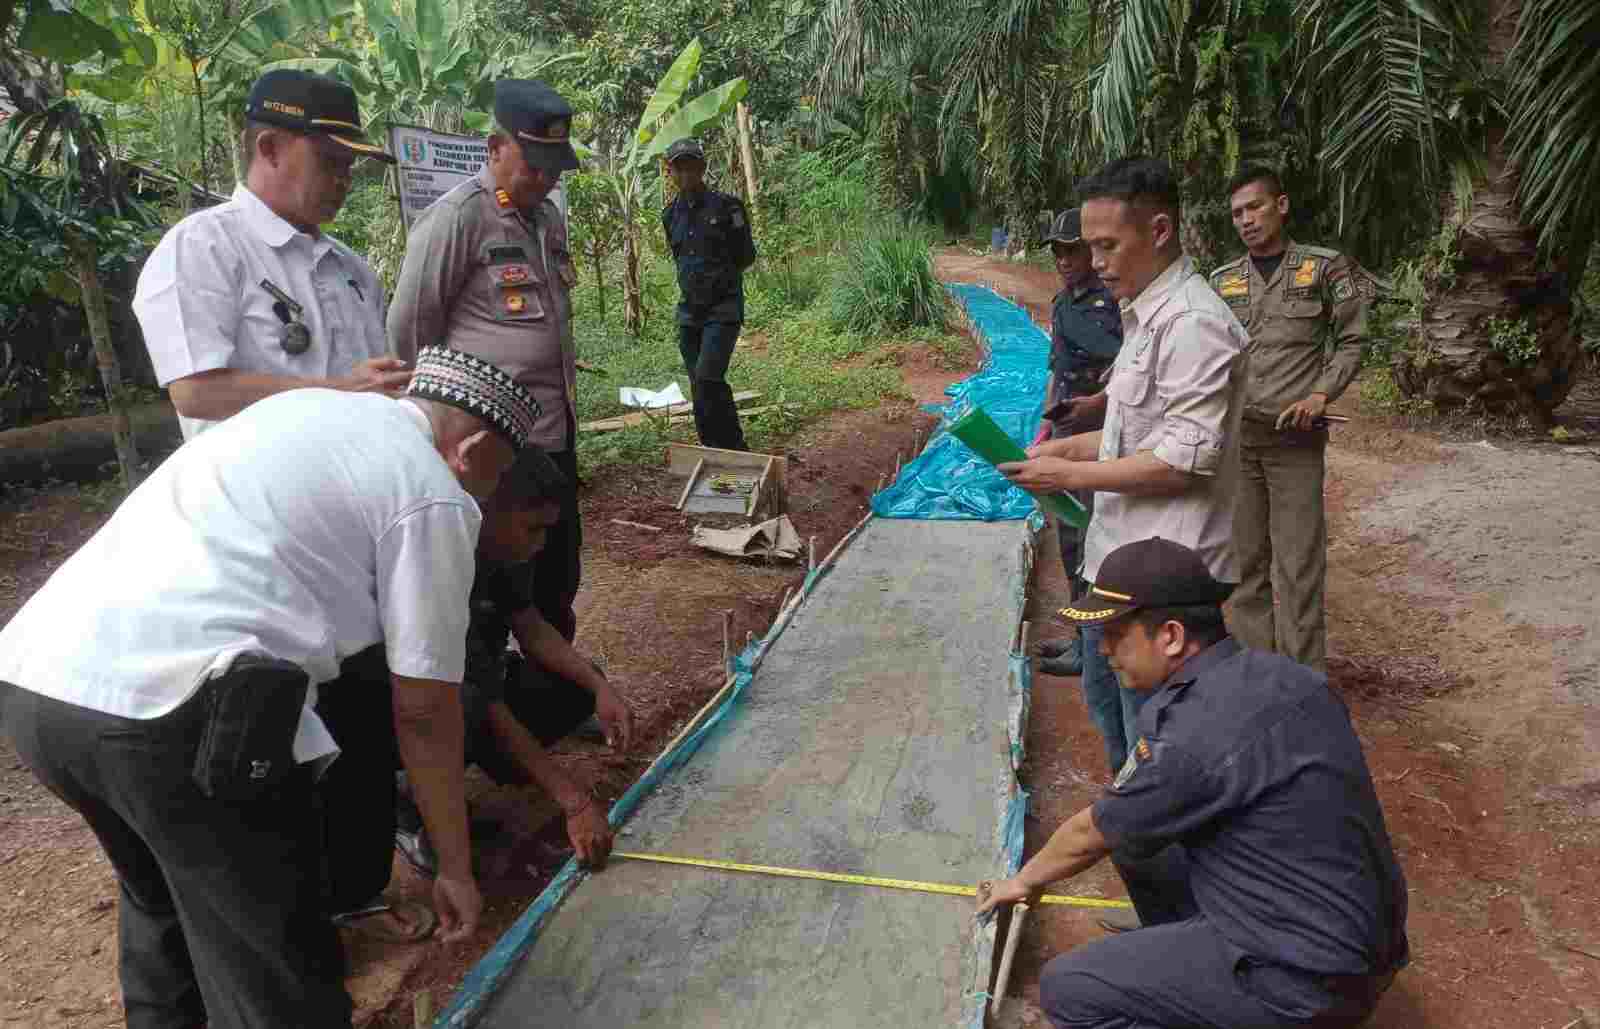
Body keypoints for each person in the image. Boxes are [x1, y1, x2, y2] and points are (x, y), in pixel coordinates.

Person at [0, 347, 539, 1028]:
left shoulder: (313, 412)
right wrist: (454, 866)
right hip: (172, 709)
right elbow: (426, 708)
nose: (494, 490)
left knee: (164, 910)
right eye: (501, 470)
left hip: (40, 680)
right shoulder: (431, 488)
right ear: (475, 448)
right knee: (275, 975)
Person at [976, 537, 1409, 1029]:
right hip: (1363, 940)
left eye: (1116, 634)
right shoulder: (1285, 679)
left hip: (1301, 979)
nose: (1103, 650)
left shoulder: (1195, 734)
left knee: (1071, 990)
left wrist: (1020, 881)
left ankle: (1239, 1004)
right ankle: (1197, 971)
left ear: (1172, 636)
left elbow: (1088, 834)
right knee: (1141, 845)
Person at [1000, 157, 1248, 780]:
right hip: (1116, 560)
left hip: (1165, 576)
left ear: (1160, 231)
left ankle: (1163, 854)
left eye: (1108, 245)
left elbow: (1183, 460)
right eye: (1090, 246)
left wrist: (1068, 478)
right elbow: (1128, 436)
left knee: (1157, 745)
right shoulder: (1142, 315)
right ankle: (1134, 822)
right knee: (1112, 717)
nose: (1097, 261)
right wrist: (1062, 451)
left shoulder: (1193, 323)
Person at [388, 78, 584, 645]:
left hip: (553, 431)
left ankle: (557, 698)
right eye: (534, 163)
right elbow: (409, 332)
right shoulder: (457, 219)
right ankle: (488, 706)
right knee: (493, 585)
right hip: (488, 445)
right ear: (495, 148)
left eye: (555, 165)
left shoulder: (548, 220)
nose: (546, 177)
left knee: (557, 569)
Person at [133, 68, 412, 441]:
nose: (343, 180)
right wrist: (342, 391)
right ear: (269, 149)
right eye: (330, 161)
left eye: (349, 166)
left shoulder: (352, 270)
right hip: (257, 490)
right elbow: (196, 393)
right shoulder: (203, 247)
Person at [394, 447, 632, 875]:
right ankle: (408, 802)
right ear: (489, 508)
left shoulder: (505, 548)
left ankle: (504, 763)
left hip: (474, 684)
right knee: (464, 706)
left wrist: (600, 689)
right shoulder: (439, 564)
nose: (540, 543)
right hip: (400, 705)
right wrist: (573, 801)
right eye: (533, 528)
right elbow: (483, 700)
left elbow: (530, 625)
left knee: (576, 683)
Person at [1210, 166, 1370, 671]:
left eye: (1254, 207)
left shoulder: (1323, 268)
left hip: (1294, 442)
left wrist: (1322, 393)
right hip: (1239, 443)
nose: (1246, 220)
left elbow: (1352, 340)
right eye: (1237, 214)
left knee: (1299, 567)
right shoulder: (1222, 281)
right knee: (1244, 566)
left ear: (1280, 205)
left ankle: (1303, 682)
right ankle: (1257, 676)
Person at [1032, 208, 1123, 678]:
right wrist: (1045, 427)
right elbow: (1057, 370)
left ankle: (1098, 648)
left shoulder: (1113, 305)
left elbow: (1127, 369)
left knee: (1096, 537)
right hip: (1067, 428)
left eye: (1071, 249)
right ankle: (1080, 640)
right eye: (1057, 250)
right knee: (1070, 537)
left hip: (1100, 433)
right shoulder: (1063, 304)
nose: (1063, 259)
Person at [661, 136, 758, 450]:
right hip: (689, 314)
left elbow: (746, 256)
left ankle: (735, 450)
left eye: (692, 166)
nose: (686, 174)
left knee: (707, 378)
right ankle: (714, 450)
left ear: (702, 168)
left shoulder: (728, 207)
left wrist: (719, 282)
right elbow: (681, 259)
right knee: (701, 386)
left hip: (722, 310)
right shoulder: (670, 215)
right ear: (670, 172)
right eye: (680, 168)